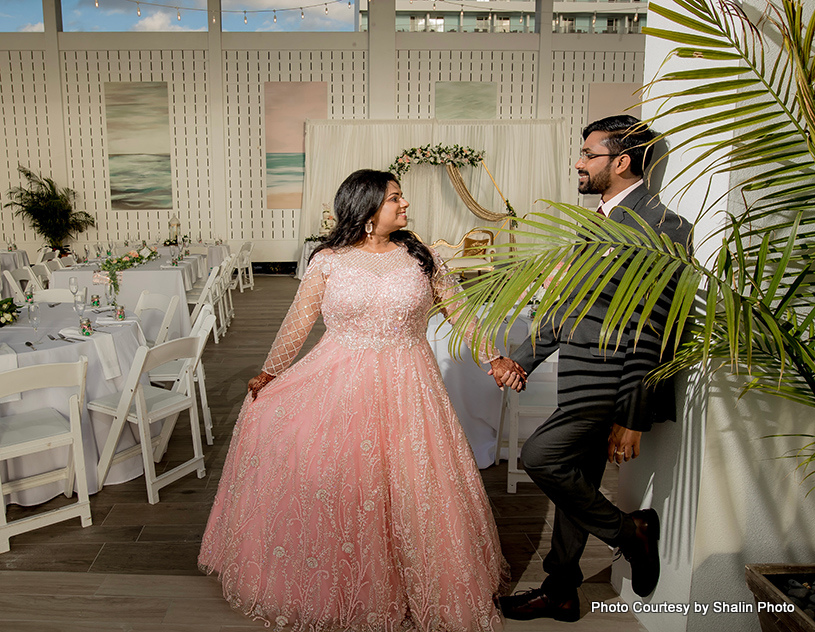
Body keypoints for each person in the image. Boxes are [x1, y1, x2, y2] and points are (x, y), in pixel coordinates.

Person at [199, 169, 520, 631]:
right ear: (367, 210)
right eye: (395, 198)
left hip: (411, 384)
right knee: (347, 484)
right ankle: (340, 586)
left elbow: (462, 313)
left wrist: (494, 357)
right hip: (339, 381)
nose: (405, 205)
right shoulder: (328, 260)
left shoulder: (421, 257)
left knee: (414, 487)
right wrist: (271, 371)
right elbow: (299, 319)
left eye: (401, 198)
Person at [491, 115, 694, 622]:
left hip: (611, 381)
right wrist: (523, 358)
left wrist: (631, 412)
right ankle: (561, 589)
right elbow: (568, 309)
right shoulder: (593, 224)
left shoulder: (663, 226)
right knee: (575, 479)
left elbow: (655, 326)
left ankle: (631, 533)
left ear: (621, 162)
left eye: (588, 154)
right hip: (578, 375)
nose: (578, 163)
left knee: (541, 456)